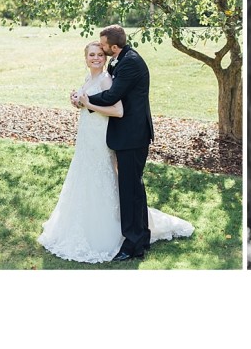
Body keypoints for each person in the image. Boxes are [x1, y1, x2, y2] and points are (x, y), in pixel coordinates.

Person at [40, 40, 192, 263]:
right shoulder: (89, 78)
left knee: (106, 181)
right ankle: (81, 225)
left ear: (106, 57)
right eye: (91, 54)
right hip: (86, 140)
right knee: (84, 180)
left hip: (101, 138)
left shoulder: (106, 78)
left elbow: (117, 109)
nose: (96, 58)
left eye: (100, 54)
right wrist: (78, 101)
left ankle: (114, 233)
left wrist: (88, 104)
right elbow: (88, 100)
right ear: (85, 58)